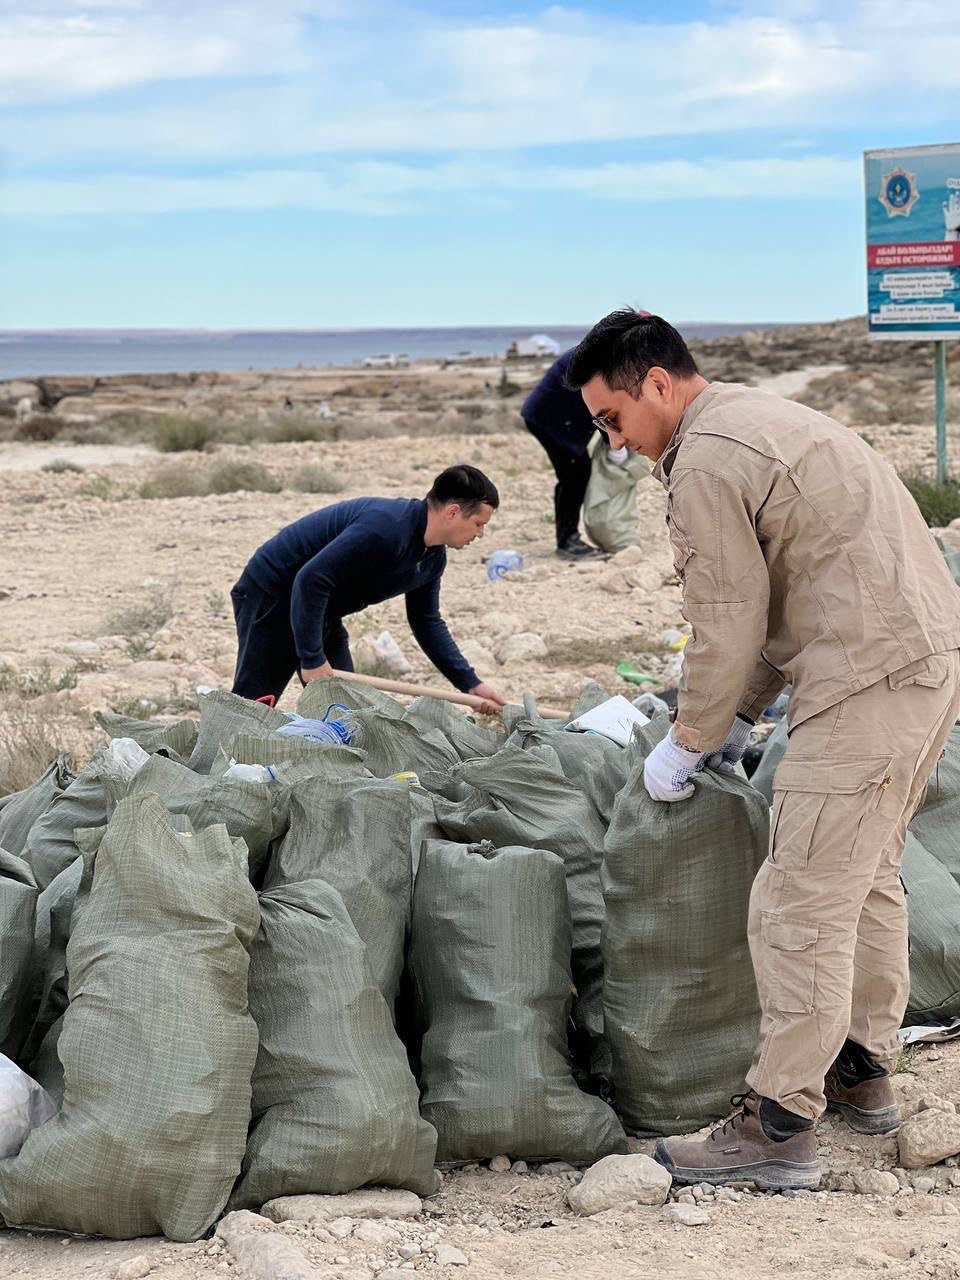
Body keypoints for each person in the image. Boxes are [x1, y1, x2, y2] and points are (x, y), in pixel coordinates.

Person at [566, 309, 960, 1190]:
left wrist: (692, 737)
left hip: (863, 675)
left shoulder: (705, 457)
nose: (617, 445)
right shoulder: (760, 417)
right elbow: (787, 593)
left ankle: (779, 1125)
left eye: (613, 419)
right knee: (865, 878)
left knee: (797, 901)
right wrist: (741, 717)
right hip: (922, 663)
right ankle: (861, 1074)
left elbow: (728, 614)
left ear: (657, 384)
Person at [230, 464, 508, 713]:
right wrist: (312, 660)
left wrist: (470, 685)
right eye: (479, 524)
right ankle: (220, 762)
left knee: (343, 708)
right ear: (453, 512)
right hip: (271, 592)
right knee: (252, 708)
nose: (480, 534)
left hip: (317, 607)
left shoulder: (432, 557)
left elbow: (426, 622)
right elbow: (310, 579)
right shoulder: (386, 529)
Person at [521, 350, 605, 559]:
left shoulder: (603, 349)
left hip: (556, 418)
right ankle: (567, 542)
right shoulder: (602, 358)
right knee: (575, 474)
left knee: (574, 473)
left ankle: (567, 538)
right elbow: (603, 402)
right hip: (549, 419)